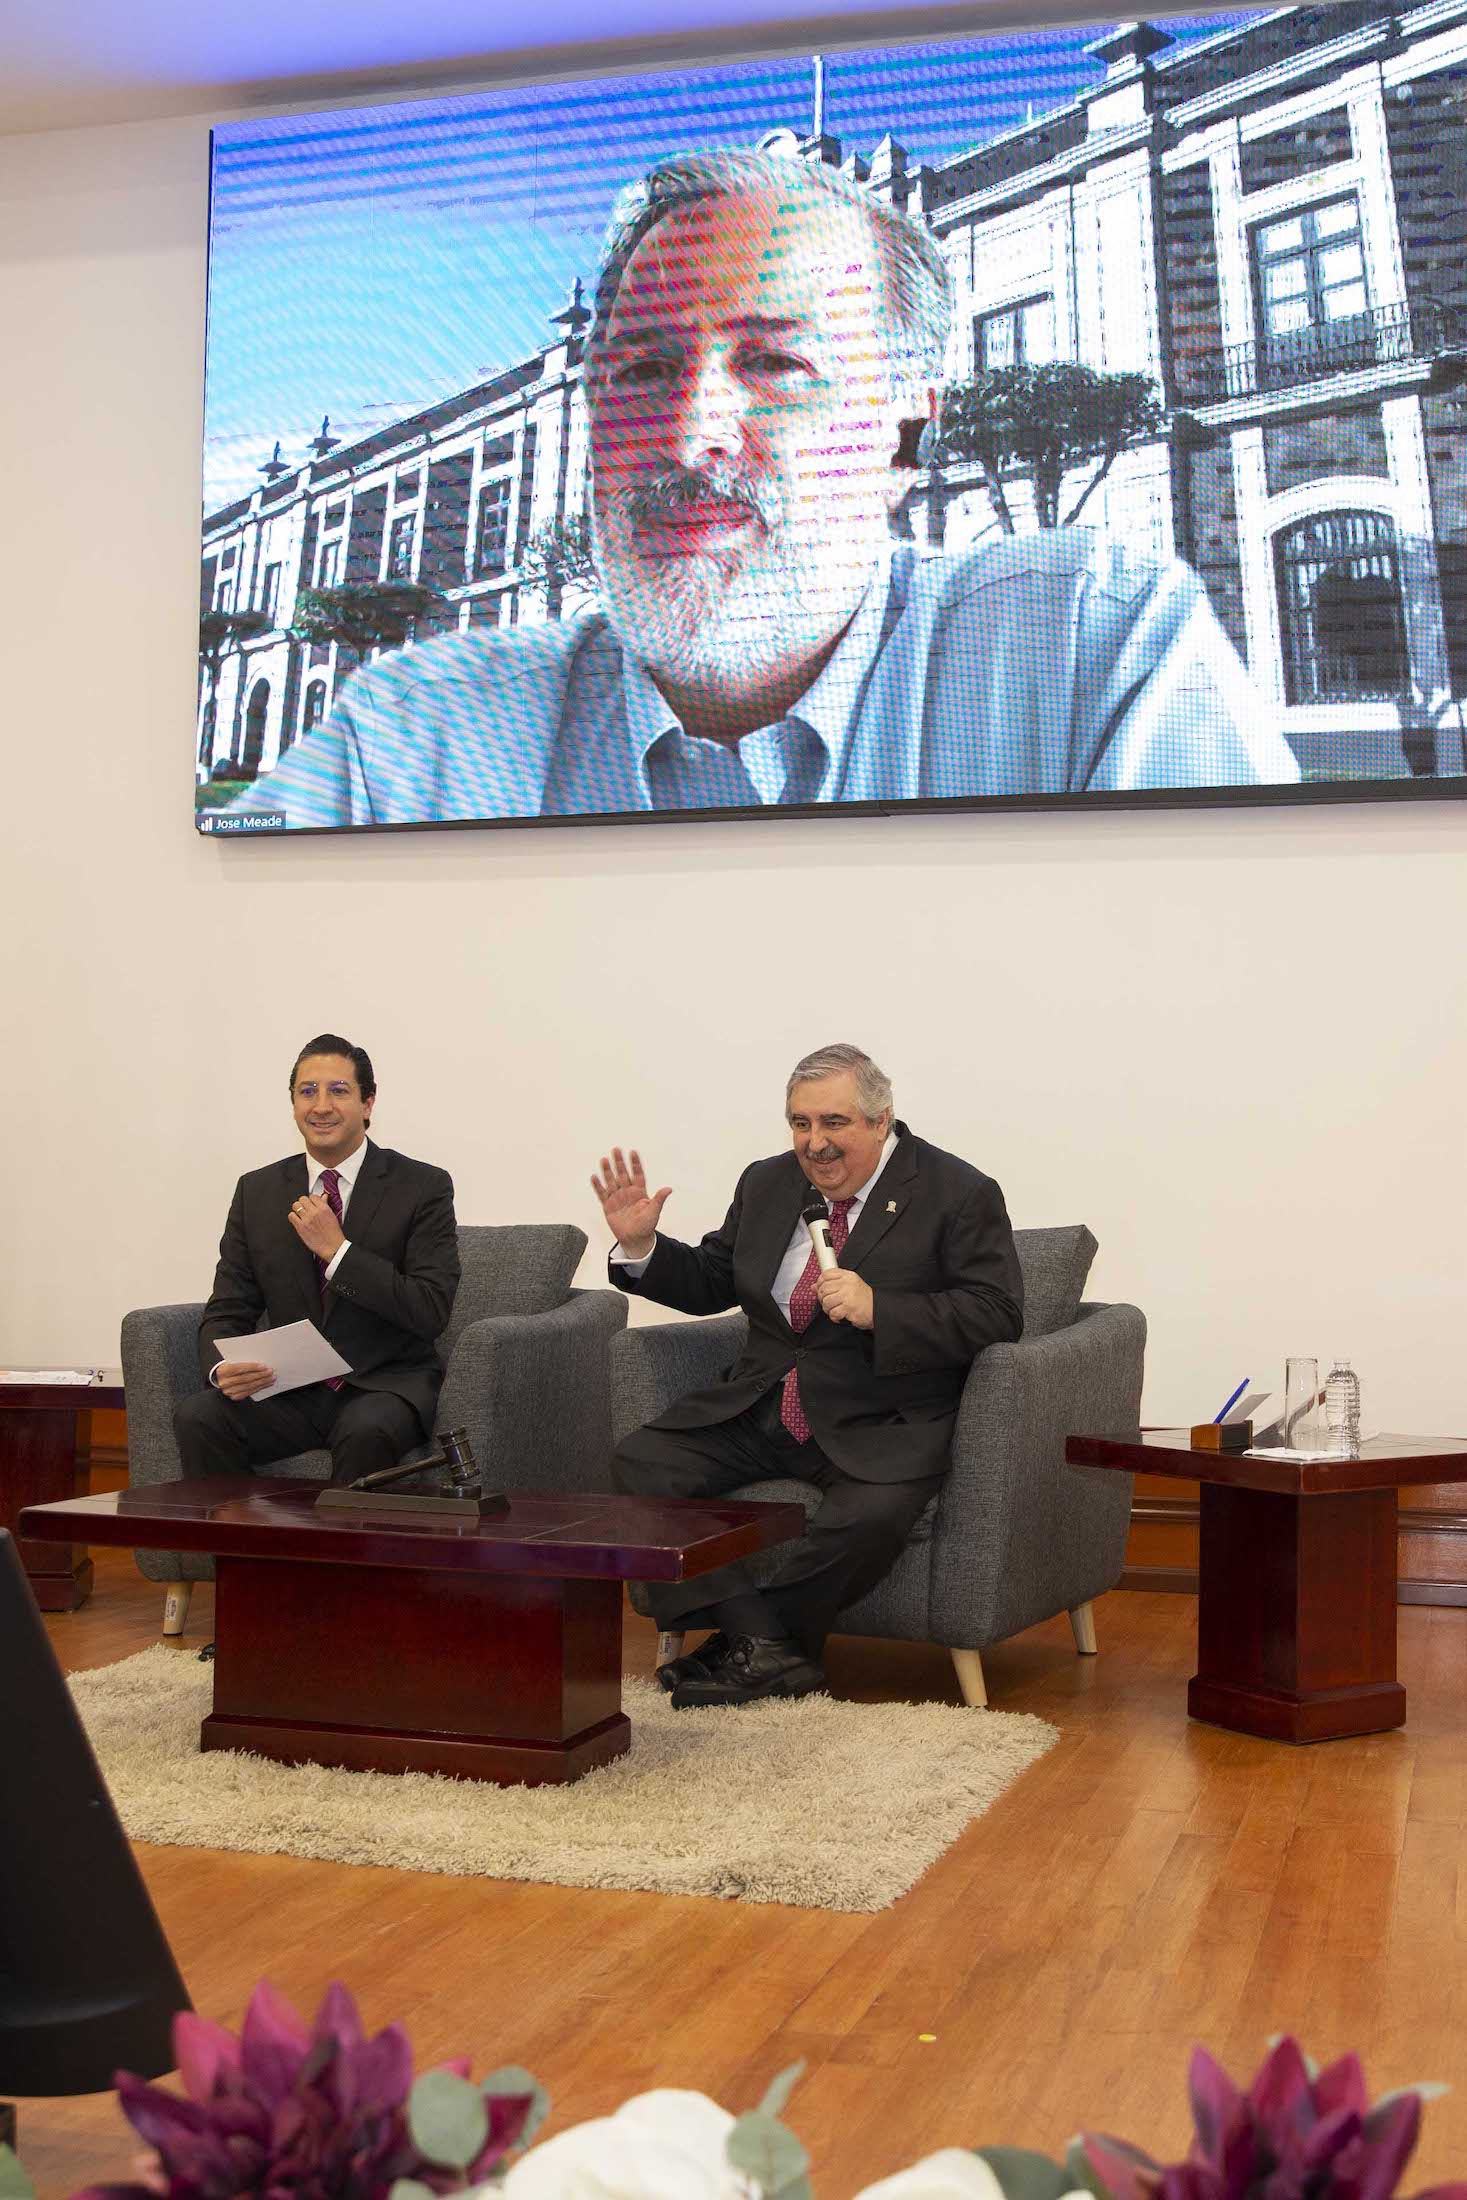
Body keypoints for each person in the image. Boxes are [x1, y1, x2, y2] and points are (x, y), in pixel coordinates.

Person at [226, 148, 1299, 831]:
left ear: (907, 434)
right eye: (643, 370)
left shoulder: (1095, 646)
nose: (692, 435)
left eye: (777, 365)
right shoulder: (416, 732)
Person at [594, 1043, 1024, 1708]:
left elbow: (995, 1313)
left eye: (834, 1124)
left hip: (881, 1414)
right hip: (764, 1401)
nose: (814, 1145)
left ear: (881, 1122)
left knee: (870, 1519)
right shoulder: (767, 1183)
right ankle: (763, 1647)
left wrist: (883, 1309)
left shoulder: (956, 1193)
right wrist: (643, 1248)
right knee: (640, 1465)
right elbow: (715, 1278)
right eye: (800, 1124)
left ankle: (745, 1646)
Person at [173, 1034, 460, 1492]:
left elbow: (429, 1309)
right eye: (307, 1092)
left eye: (338, 1091)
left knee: (366, 1431)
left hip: (383, 1386)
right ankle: (242, 1561)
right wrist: (220, 1367)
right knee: (200, 1416)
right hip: (289, 1391)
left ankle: (336, 1565)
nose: (321, 1106)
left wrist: (338, 1252)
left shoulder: (422, 1186)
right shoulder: (258, 1191)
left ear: (368, 1103)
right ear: (292, 1104)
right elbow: (228, 1308)